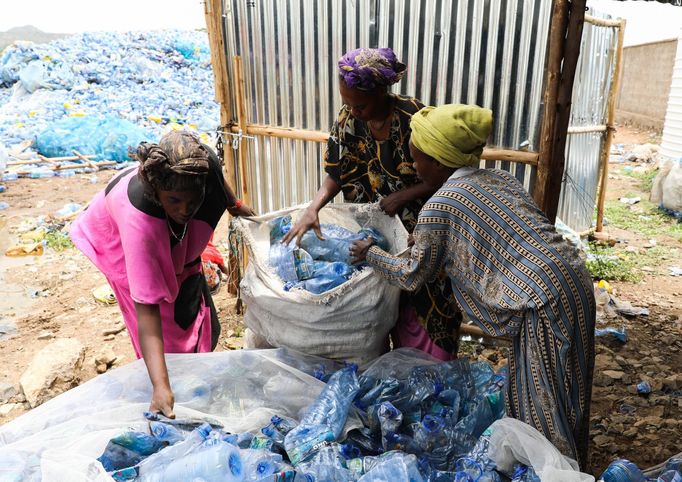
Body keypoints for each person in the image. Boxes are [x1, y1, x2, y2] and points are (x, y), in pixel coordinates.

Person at [351, 104, 596, 468]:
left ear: (438, 160)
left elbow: (411, 273)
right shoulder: (500, 180)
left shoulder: (441, 205)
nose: (414, 168)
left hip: (540, 300)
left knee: (541, 401)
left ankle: (551, 472)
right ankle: (571, 465)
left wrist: (370, 253)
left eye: (418, 160)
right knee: (568, 385)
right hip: (574, 281)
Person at [282, 47, 462, 360]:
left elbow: (446, 175)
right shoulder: (348, 119)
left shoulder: (415, 121)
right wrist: (314, 208)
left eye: (360, 104)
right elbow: (337, 171)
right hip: (376, 234)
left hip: (423, 233)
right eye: (346, 102)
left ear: (382, 92)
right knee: (379, 306)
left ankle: (429, 377)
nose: (352, 111)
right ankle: (386, 372)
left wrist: (403, 196)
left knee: (425, 306)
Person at [70, 130, 254, 418]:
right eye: (175, 201)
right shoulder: (140, 226)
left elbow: (218, 183)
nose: (186, 209)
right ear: (157, 193)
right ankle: (166, 386)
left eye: (194, 200)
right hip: (117, 239)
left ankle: (191, 374)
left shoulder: (200, 166)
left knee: (196, 315)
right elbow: (147, 313)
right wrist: (161, 385)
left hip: (168, 230)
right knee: (165, 335)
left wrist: (236, 206)